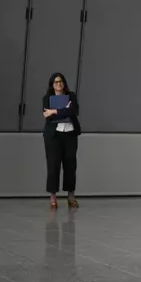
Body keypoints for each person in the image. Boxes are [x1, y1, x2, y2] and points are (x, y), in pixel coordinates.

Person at [42, 72, 81, 209]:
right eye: (56, 82)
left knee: (70, 165)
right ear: (52, 85)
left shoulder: (72, 96)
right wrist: (63, 110)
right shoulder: (47, 98)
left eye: (61, 81)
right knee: (53, 166)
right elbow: (48, 117)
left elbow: (73, 112)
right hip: (54, 136)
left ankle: (71, 196)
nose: (59, 84)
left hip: (70, 134)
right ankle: (53, 197)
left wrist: (55, 111)